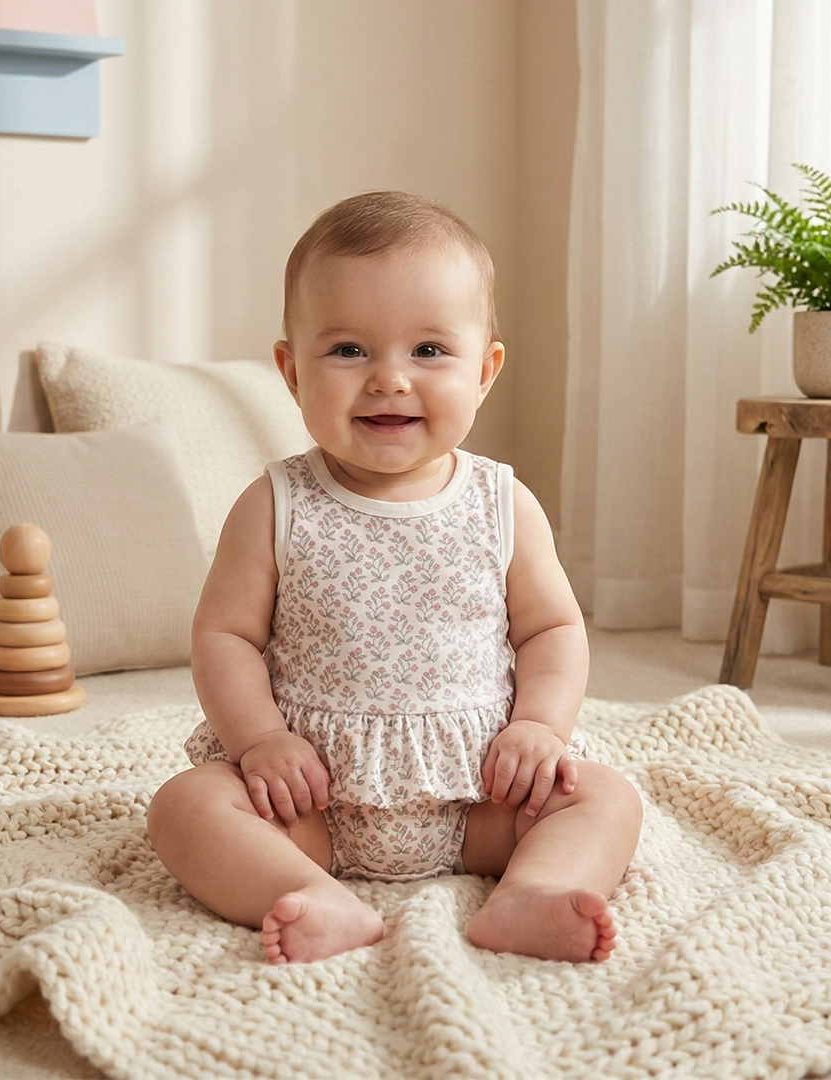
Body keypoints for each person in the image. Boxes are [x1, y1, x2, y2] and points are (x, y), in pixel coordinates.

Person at [147, 191, 643, 966]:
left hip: (482, 796)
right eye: (348, 351)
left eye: (429, 351)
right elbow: (225, 634)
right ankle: (311, 893)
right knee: (185, 807)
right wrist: (261, 742)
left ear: (485, 371)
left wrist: (539, 728)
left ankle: (529, 894)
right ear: (291, 369)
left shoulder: (501, 503)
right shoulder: (275, 504)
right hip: (310, 803)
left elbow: (551, 628)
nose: (388, 380)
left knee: (605, 798)